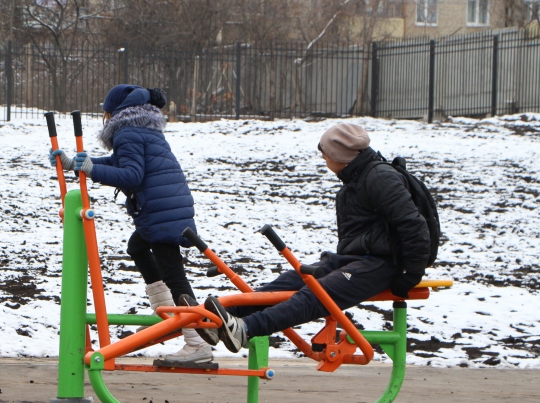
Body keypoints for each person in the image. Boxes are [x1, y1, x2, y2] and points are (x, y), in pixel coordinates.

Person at [189, 123, 431, 353]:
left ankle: (246, 329)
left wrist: (412, 273)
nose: (325, 161)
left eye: (325, 156)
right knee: (292, 279)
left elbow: (413, 225)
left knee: (317, 293)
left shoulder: (380, 178)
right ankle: (221, 319)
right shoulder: (360, 176)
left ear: (339, 157)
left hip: (384, 264)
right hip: (358, 258)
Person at [48, 84, 213, 364]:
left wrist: (91, 169)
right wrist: (78, 164)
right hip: (166, 206)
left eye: (105, 113)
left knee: (174, 276)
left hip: (161, 211)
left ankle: (197, 342)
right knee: (137, 247)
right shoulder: (142, 129)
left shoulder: (126, 133)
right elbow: (119, 162)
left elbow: (131, 175)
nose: (104, 118)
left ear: (113, 112)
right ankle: (167, 315)